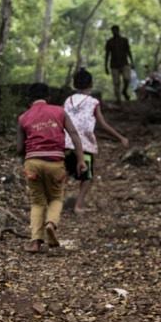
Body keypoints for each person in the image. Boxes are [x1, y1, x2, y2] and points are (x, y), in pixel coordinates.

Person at [17, 83, 87, 253]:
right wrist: (80, 160)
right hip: (55, 163)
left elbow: (19, 148)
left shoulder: (23, 117)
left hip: (32, 163)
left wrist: (26, 160)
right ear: (48, 97)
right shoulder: (60, 112)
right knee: (56, 198)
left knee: (37, 202)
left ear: (29, 100)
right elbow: (75, 135)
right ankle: (51, 224)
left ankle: (35, 242)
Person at [64, 68, 129, 214]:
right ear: (91, 84)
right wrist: (120, 137)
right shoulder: (93, 102)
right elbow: (102, 124)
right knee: (87, 177)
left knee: (66, 173)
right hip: (84, 144)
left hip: (66, 142)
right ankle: (78, 206)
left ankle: (55, 203)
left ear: (74, 85)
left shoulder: (68, 100)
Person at [105, 25, 134, 103]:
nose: (114, 32)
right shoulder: (109, 42)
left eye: (116, 30)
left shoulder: (124, 40)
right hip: (114, 65)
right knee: (116, 83)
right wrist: (106, 67)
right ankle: (118, 99)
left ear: (118, 30)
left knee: (127, 79)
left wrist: (132, 62)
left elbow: (128, 51)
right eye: (113, 31)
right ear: (112, 32)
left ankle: (124, 91)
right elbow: (107, 54)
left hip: (124, 63)